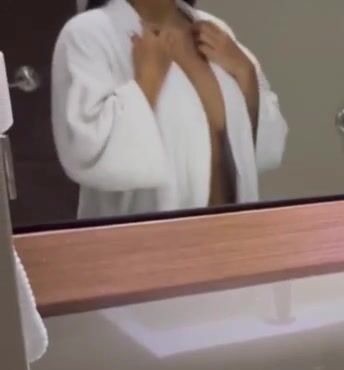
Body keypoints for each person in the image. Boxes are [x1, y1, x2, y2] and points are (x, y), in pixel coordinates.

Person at [52, 0, 287, 219]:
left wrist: (246, 74)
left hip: (231, 237)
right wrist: (147, 81)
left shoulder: (214, 30)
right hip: (142, 244)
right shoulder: (89, 33)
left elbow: (265, 150)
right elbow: (85, 151)